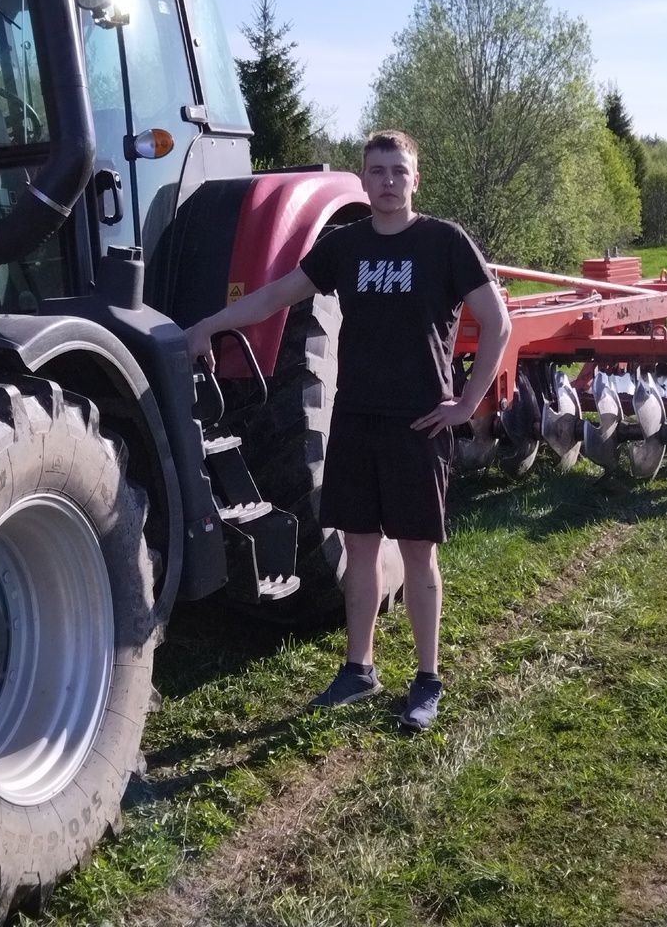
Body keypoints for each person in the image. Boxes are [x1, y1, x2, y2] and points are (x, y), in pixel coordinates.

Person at [186, 130, 511, 730]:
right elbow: (276, 296)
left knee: (418, 554)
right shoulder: (345, 245)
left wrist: (467, 404)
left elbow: (498, 323)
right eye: (377, 171)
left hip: (418, 424)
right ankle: (358, 670)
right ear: (363, 180)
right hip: (356, 421)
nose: (387, 181)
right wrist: (209, 324)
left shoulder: (444, 242)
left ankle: (427, 680)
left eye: (398, 171)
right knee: (358, 548)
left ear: (416, 179)